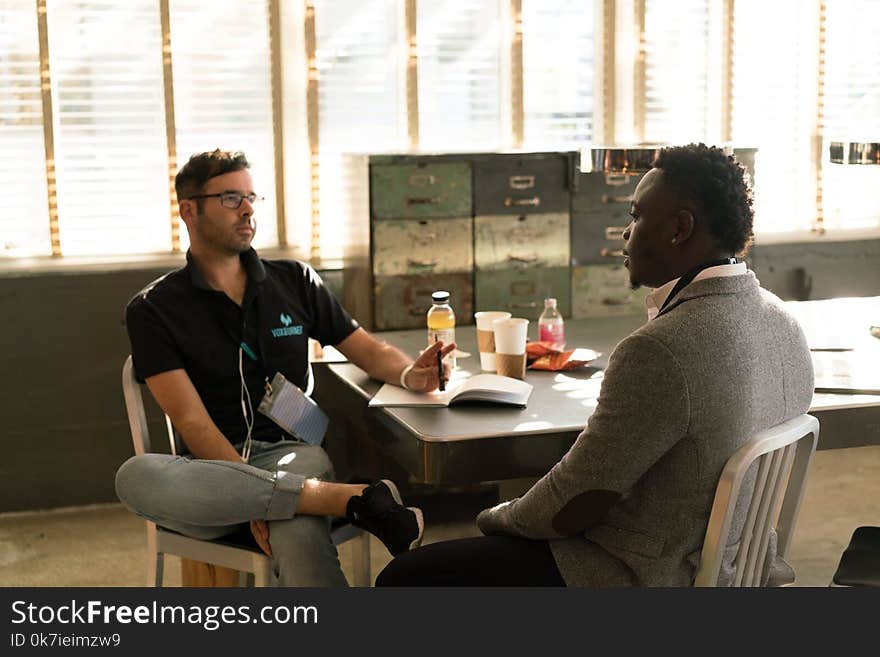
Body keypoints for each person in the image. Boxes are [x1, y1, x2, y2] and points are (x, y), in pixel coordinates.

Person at [376, 143, 814, 587]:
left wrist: (497, 518)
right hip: (736, 570)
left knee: (404, 577)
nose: (626, 233)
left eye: (636, 216)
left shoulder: (661, 350)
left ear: (680, 227)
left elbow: (575, 502)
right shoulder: (783, 322)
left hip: (642, 575)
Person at [115, 149, 455, 587]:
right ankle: (353, 500)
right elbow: (191, 423)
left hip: (294, 452)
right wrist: (254, 495)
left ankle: (312, 501)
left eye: (252, 197)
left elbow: (367, 350)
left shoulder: (294, 279)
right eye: (231, 198)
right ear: (189, 210)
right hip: (211, 476)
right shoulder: (153, 309)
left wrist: (412, 374)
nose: (248, 209)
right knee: (135, 476)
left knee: (294, 521)